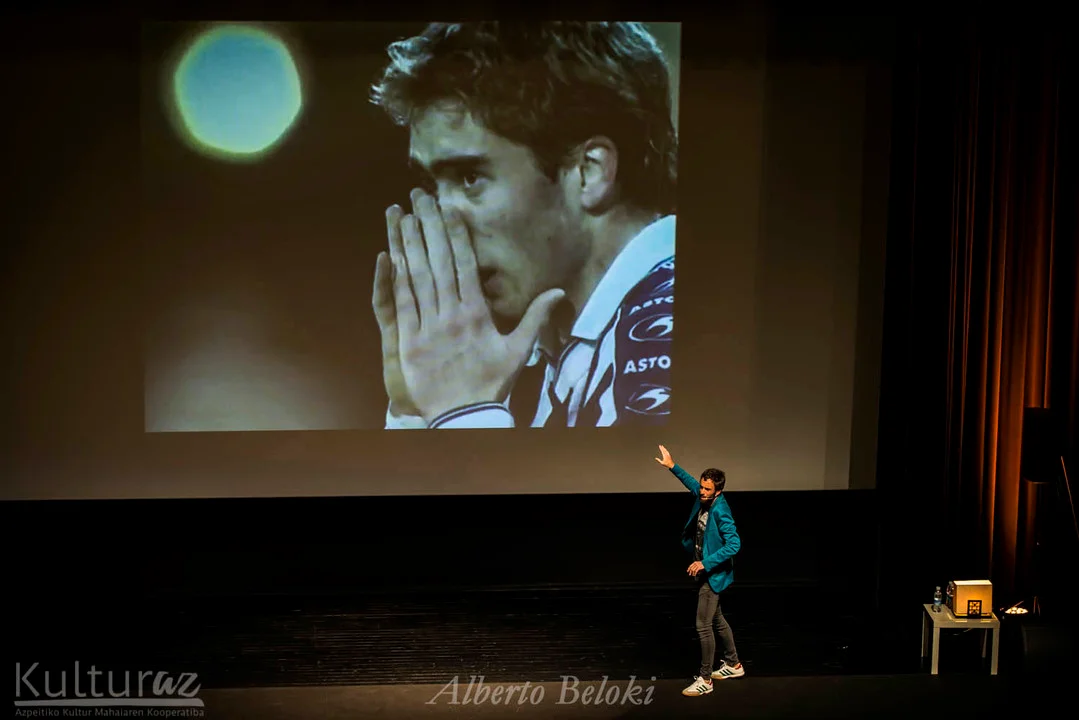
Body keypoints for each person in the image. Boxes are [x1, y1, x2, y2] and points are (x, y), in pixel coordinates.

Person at [368, 22, 678, 429]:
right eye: (431, 185)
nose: (440, 220)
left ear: (588, 173)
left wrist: (463, 411)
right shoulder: (524, 357)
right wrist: (416, 413)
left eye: (469, 177)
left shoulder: (682, 334)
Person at [654, 443, 745, 696]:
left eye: (707, 490)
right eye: (702, 487)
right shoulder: (703, 495)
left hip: (713, 574)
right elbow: (690, 482)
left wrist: (705, 563)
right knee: (716, 619)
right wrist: (672, 465)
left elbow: (734, 544)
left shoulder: (721, 510)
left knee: (703, 625)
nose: (702, 492)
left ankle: (706, 679)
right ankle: (734, 664)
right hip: (706, 571)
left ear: (718, 492)